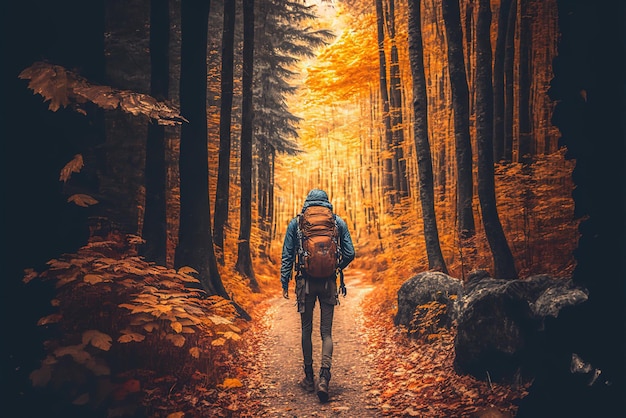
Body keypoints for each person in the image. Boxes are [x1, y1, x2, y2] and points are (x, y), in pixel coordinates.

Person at [280, 189, 355, 402]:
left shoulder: (297, 223)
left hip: (305, 282)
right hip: (329, 283)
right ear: (326, 203)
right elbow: (350, 253)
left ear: (307, 203)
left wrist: (285, 281)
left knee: (306, 330)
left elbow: (287, 255)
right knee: (326, 332)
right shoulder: (337, 222)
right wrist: (336, 267)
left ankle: (309, 377)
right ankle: (325, 377)